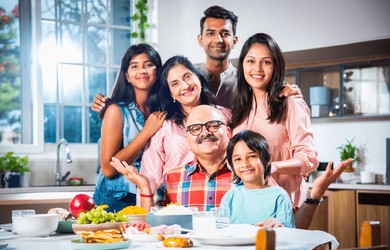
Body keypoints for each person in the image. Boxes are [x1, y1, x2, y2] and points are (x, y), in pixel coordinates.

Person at [110, 105, 353, 229]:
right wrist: (144, 186)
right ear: (187, 139)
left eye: (213, 125)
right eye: (195, 129)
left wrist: (315, 194)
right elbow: (153, 228)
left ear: (227, 132)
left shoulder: (252, 174)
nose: (205, 132)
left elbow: (291, 227)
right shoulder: (171, 179)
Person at [91, 6, 299, 112]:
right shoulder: (187, 79)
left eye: (225, 34)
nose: (218, 39)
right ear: (200, 39)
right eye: (210, 33)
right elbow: (151, 97)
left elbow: (268, 96)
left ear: (234, 40)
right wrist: (115, 104)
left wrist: (284, 90)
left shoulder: (248, 78)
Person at [231, 33, 319, 208]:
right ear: (242, 65)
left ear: (275, 66)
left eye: (266, 62)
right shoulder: (240, 108)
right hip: (249, 204)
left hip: (285, 202)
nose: (257, 68)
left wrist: (273, 167)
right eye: (251, 61)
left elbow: (308, 158)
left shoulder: (290, 102)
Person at [139, 55, 231, 194]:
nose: (185, 86)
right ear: (171, 94)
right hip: (175, 201)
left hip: (221, 195)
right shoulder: (164, 126)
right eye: (175, 84)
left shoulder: (225, 116)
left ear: (199, 78)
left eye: (187, 77)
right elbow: (150, 175)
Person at [93, 44, 167, 212]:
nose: (142, 71)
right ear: (127, 76)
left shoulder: (164, 110)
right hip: (119, 198)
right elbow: (108, 169)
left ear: (158, 71)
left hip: (153, 196)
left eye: (148, 65)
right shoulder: (116, 111)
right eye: (135, 66)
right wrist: (147, 132)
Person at [221, 130, 295, 228]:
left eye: (252, 156)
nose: (245, 164)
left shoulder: (279, 196)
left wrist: (278, 225)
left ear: (267, 160)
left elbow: (289, 234)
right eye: (238, 159)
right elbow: (221, 231)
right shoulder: (230, 197)